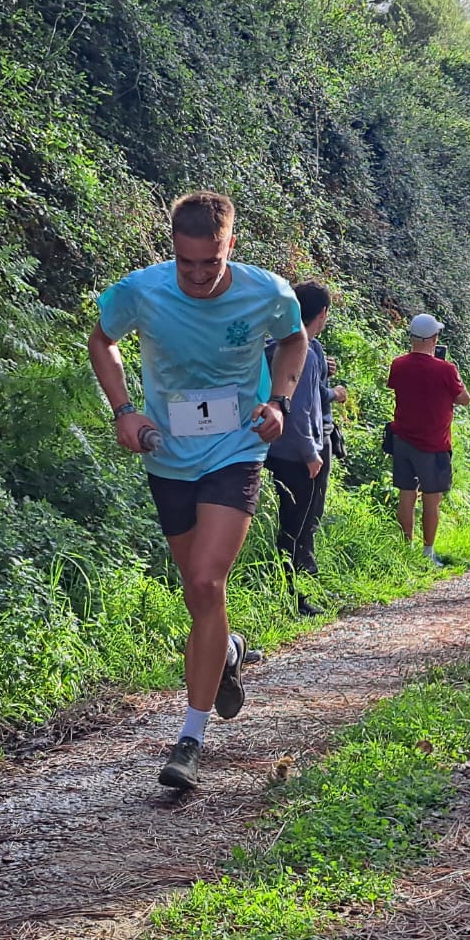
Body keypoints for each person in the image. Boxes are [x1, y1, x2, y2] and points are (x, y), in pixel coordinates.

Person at [88, 191, 307, 791]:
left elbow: (294, 340)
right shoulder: (142, 291)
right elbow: (100, 341)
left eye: (210, 263)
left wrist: (280, 402)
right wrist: (124, 411)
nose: (198, 276)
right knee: (197, 595)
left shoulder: (267, 292)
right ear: (173, 252)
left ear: (229, 245)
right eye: (187, 264)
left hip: (237, 447)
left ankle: (190, 739)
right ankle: (228, 651)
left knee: (209, 582)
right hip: (168, 452)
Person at [265, 282, 337, 617]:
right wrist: (311, 453)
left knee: (292, 524)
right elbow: (300, 408)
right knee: (300, 526)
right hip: (299, 452)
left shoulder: (277, 345)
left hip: (273, 449)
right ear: (321, 313)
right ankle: (297, 597)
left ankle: (296, 589)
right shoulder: (304, 351)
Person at [387, 313, 469, 567]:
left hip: (402, 439)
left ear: (411, 337)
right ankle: (428, 552)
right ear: (434, 338)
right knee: (432, 499)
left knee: (406, 494)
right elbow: (464, 399)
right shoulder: (446, 370)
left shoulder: (398, 364)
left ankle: (405, 548)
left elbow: (397, 387)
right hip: (434, 445)